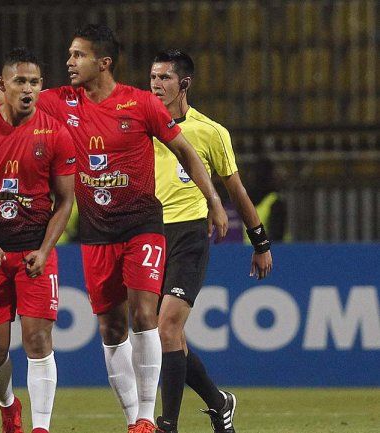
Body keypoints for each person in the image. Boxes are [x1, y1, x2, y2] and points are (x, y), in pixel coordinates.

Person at [0, 17, 228, 433]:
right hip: (97, 233)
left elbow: (183, 149)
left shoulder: (140, 103)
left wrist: (213, 200)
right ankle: (134, 419)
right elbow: (2, 94)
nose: (70, 62)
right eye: (70, 54)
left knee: (145, 314)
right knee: (111, 328)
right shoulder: (61, 103)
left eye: (79, 55)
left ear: (104, 62)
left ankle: (147, 418)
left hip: (142, 225)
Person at [150, 49, 274, 433]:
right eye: (152, 77)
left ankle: (167, 424)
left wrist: (260, 242)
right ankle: (219, 402)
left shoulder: (210, 132)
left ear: (184, 84)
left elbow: (235, 190)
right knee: (168, 337)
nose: (155, 84)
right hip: (148, 235)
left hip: (189, 234)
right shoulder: (141, 124)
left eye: (165, 78)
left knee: (167, 327)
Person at [0, 47, 75, 433]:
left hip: (34, 254)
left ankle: (41, 427)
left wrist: (45, 250)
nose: (27, 89)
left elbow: (65, 200)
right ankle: (9, 407)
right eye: (20, 81)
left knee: (37, 339)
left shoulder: (56, 132)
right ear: (2, 84)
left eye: (34, 82)